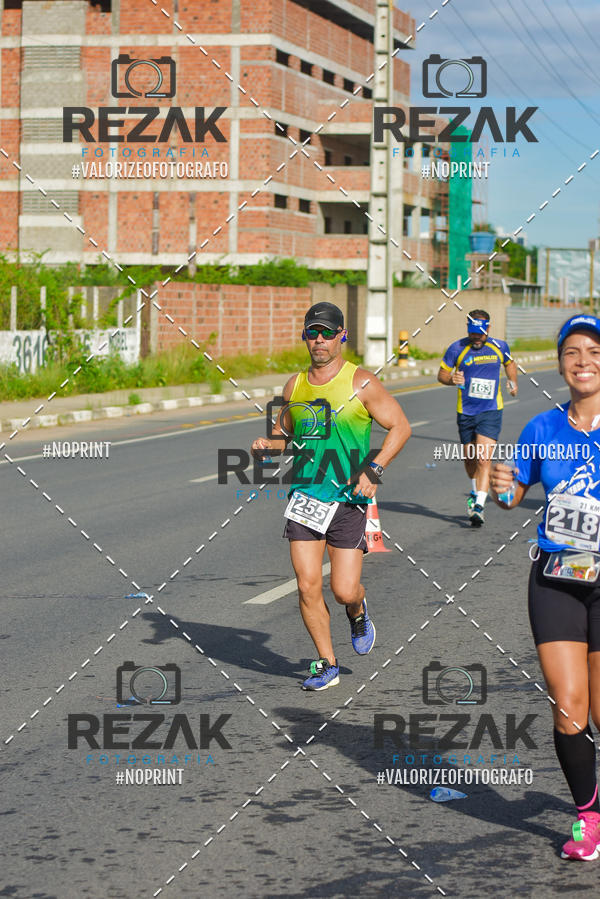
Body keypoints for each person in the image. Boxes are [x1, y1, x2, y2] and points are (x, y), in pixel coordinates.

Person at [251, 301, 411, 691]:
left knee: (342, 590)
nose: (319, 340)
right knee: (307, 585)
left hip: (348, 499)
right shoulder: (295, 385)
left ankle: (357, 609)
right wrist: (268, 446)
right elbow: (283, 433)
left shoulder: (362, 383)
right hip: (306, 497)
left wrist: (374, 469)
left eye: (327, 332)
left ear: (343, 336)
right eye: (312, 332)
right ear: (304, 336)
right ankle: (327, 664)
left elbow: (401, 426)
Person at [490, 313, 600, 860]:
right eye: (572, 353)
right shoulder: (542, 428)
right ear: (560, 363)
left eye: (593, 351)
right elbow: (511, 496)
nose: (583, 361)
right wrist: (503, 487)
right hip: (556, 577)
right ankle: (588, 819)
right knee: (569, 708)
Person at [438, 309, 518, 526]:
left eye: (480, 333)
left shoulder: (499, 347)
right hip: (465, 412)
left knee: (484, 459)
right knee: (471, 461)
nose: (476, 337)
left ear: (488, 329)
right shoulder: (457, 348)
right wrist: (451, 379)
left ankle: (479, 506)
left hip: (491, 410)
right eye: (472, 332)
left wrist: (512, 381)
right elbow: (442, 374)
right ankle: (476, 493)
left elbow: (510, 363)